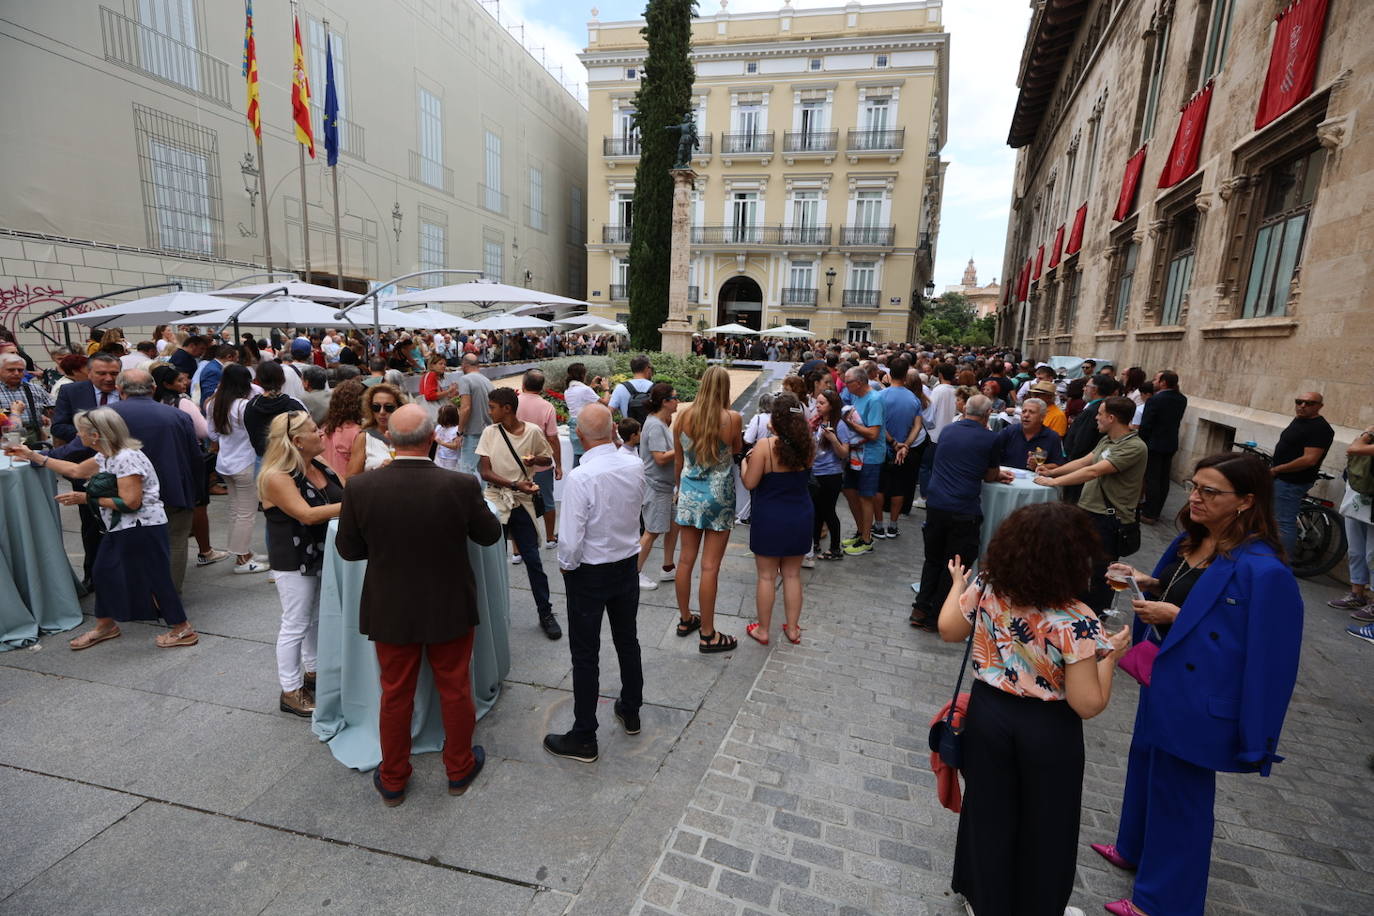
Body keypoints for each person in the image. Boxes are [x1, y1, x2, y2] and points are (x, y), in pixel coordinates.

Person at [1095, 453, 1303, 916]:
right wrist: (1146, 583)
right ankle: (1132, 847)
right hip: (1162, 682)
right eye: (1194, 486)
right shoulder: (1195, 540)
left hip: (1200, 701)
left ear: (1246, 501)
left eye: (1210, 491)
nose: (1194, 497)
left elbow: (1266, 657)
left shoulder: (1264, 571)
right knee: (1145, 766)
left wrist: (1176, 616)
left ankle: (1163, 903)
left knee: (1181, 801)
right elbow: (1181, 588)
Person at [939, 502, 1130, 916]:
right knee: (1048, 823)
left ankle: (985, 901)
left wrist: (957, 583)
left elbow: (949, 629)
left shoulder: (989, 586)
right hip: (1047, 728)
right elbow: (1088, 703)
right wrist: (1109, 656)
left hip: (988, 714)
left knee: (989, 812)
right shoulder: (1076, 618)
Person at [335, 404, 501, 806]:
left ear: (389, 440)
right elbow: (490, 535)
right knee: (455, 688)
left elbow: (350, 550)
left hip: (391, 606)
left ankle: (393, 778)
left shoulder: (360, 488)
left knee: (394, 694)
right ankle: (458, 769)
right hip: (448, 603)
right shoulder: (460, 486)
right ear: (432, 439)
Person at [8, 408, 196, 649]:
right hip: (126, 527)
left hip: (140, 527)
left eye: (81, 432)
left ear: (95, 435)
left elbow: (130, 503)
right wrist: (33, 456)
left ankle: (183, 629)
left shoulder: (125, 457)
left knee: (154, 578)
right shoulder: (106, 456)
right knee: (104, 572)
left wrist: (86, 498)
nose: (78, 435)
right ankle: (106, 625)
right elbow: (75, 471)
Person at [543, 403, 645, 762]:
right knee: (626, 638)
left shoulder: (582, 477)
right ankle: (630, 708)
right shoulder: (633, 464)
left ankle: (585, 734)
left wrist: (566, 567)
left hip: (590, 570)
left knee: (585, 653)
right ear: (614, 429)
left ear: (581, 437)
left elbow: (570, 538)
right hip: (625, 563)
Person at [258, 411, 344, 717]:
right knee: (295, 624)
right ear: (297, 441)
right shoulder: (277, 476)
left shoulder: (318, 464)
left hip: (320, 554)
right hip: (294, 560)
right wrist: (357, 504)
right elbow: (306, 514)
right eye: (314, 430)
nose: (321, 433)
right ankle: (290, 691)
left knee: (315, 618)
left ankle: (315, 672)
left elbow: (344, 489)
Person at [1035, 396, 1147, 612]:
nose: (1096, 417)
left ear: (1111, 418)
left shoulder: (1135, 447)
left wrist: (1054, 481)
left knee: (1101, 571)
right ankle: (1072, 606)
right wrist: (1053, 470)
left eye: (1100, 413)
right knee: (1076, 561)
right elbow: (1087, 460)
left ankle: (1096, 615)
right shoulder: (1107, 440)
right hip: (1088, 510)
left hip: (1109, 518)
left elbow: (1094, 471)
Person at [910, 395, 1010, 631]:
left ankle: (920, 607)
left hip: (936, 504)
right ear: (987, 416)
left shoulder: (949, 431)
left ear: (965, 410)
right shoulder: (990, 438)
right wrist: (999, 475)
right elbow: (989, 474)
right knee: (956, 564)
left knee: (933, 559)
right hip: (963, 508)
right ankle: (937, 615)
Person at [477, 386, 562, 640]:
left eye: (492, 407)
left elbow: (548, 460)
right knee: (492, 560)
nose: (488, 411)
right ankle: (491, 614)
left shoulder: (533, 432)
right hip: (495, 500)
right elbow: (485, 472)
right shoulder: (490, 433)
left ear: (507, 409)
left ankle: (545, 613)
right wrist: (514, 484)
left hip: (522, 502)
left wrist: (534, 460)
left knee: (533, 561)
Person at [674, 365, 742, 653]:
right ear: (725, 389)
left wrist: (681, 490)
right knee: (710, 566)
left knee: (686, 560)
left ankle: (685, 619)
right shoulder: (733, 418)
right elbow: (736, 450)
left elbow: (679, 462)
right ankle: (708, 633)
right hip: (719, 495)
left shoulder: (682, 416)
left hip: (689, 492)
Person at [742, 392, 814, 646]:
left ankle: (763, 630)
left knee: (766, 576)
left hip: (770, 517)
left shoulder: (765, 447)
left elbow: (750, 482)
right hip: (800, 515)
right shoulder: (808, 445)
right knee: (793, 575)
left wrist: (744, 463)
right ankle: (793, 629)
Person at [207, 364, 268, 575]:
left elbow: (212, 435)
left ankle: (243, 552)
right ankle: (242, 559)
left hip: (225, 462)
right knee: (246, 513)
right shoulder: (244, 406)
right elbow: (258, 434)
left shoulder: (213, 403)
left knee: (236, 510)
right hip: (245, 463)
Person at [1270, 390, 1335, 557]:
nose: (1302, 406)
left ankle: (1281, 564)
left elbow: (1309, 459)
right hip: (1281, 478)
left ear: (1320, 407)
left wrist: (1277, 469)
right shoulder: (1299, 420)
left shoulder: (1320, 428)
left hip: (1291, 482)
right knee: (1275, 519)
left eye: (1309, 403)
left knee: (1283, 523)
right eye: (1299, 401)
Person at [637, 382, 683, 598]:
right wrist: (682, 448)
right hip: (656, 486)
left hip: (665, 487)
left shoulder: (660, 422)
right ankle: (634, 573)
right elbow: (659, 457)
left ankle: (668, 567)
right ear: (665, 402)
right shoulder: (655, 425)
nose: (678, 401)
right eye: (675, 397)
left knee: (674, 526)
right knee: (652, 531)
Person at [875, 358, 925, 538]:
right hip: (901, 451)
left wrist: (894, 442)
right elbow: (917, 426)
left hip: (882, 447)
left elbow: (878, 423)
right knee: (898, 488)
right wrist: (905, 445)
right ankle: (893, 525)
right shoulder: (914, 399)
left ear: (889, 373)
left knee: (879, 488)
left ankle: (879, 525)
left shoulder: (881, 396)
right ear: (905, 375)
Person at [839, 367, 885, 556]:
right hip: (857, 454)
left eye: (847, 382)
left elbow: (874, 434)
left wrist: (850, 424)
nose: (844, 384)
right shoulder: (857, 397)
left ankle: (867, 539)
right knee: (849, 491)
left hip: (870, 456)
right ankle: (861, 531)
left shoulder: (874, 400)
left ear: (858, 383)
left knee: (866, 497)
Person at [516, 369, 562, 548]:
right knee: (548, 501)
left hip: (516, 463)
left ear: (523, 384)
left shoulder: (513, 403)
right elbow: (552, 438)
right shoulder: (547, 407)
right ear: (542, 388)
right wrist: (558, 464)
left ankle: (518, 548)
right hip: (541, 463)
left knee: (517, 502)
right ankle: (550, 538)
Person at [1137, 370, 1187, 523]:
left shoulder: (1155, 400)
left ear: (1163, 382)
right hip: (1170, 443)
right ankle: (1155, 509)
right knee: (1163, 478)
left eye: (1156, 379)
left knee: (1152, 478)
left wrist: (1142, 441)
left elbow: (1146, 425)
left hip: (1154, 444)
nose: (1153, 382)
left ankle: (1150, 512)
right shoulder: (1181, 399)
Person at [810, 388, 851, 561]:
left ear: (832, 405)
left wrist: (833, 439)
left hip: (831, 474)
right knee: (817, 511)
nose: (817, 406)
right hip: (816, 472)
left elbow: (844, 453)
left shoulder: (839, 425)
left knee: (828, 512)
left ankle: (835, 549)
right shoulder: (817, 422)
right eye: (817, 402)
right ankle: (815, 543)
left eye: (822, 403)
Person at [918, 363, 960, 508]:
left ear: (940, 374)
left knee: (925, 467)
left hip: (934, 433)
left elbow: (930, 413)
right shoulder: (955, 391)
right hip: (949, 433)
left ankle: (925, 496)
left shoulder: (938, 390)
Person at [348, 383, 407, 477]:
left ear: (399, 407)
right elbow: (351, 479)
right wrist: (378, 472)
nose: (382, 412)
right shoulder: (364, 438)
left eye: (389, 407)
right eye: (376, 407)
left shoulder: (409, 435)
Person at [994, 396, 1063, 471]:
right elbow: (992, 454)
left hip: (1036, 480)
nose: (1026, 415)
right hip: (1007, 476)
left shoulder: (1052, 437)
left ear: (1042, 417)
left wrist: (1041, 466)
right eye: (1024, 411)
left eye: (1032, 412)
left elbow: (1058, 465)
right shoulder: (1009, 431)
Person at [0, 352, 53, 446]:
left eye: (20, 370)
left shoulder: (35, 389)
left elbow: (55, 410)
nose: (16, 373)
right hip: (4, 441)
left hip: (35, 440)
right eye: (11, 370)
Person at [563, 362, 608, 470]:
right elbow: (605, 402)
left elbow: (581, 398)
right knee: (586, 460)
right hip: (584, 426)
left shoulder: (568, 390)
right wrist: (606, 389)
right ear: (582, 375)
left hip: (573, 426)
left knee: (578, 456)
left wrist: (591, 387)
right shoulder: (585, 390)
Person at [320, 379, 366, 480]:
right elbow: (354, 475)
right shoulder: (358, 433)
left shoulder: (325, 429)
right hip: (346, 488)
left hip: (327, 485)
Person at [455, 353, 493, 474]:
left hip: (473, 432)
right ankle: (482, 494)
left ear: (464, 365)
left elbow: (465, 408)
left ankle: (466, 493)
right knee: (484, 471)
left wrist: (459, 432)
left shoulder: (465, 380)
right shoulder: (487, 381)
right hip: (487, 431)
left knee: (466, 469)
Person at [610, 354, 653, 422]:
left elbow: (609, 412)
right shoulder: (656, 388)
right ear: (647, 368)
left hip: (630, 431)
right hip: (651, 431)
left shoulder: (620, 388)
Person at [434, 403, 463, 471]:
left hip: (451, 459)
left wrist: (441, 443)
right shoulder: (439, 427)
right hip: (439, 456)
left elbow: (455, 446)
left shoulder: (456, 430)